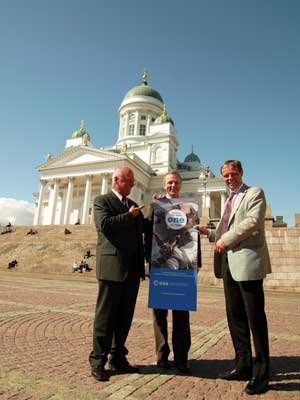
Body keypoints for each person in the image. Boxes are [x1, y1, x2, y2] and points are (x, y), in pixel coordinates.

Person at [194, 160, 271, 395]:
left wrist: (224, 240)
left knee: (255, 318)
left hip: (247, 263)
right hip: (228, 263)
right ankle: (243, 364)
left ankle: (262, 373)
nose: (229, 179)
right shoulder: (228, 199)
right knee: (235, 317)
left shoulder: (254, 193)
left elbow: (252, 222)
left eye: (233, 174)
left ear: (241, 173)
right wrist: (209, 233)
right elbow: (225, 230)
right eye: (225, 175)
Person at [89, 166, 146, 382]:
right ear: (115, 180)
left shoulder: (132, 205)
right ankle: (97, 361)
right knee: (105, 318)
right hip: (112, 267)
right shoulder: (102, 201)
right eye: (128, 181)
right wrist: (128, 216)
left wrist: (163, 209)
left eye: (132, 181)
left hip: (132, 269)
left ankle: (118, 357)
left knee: (124, 318)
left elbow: (144, 228)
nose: (132, 185)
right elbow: (104, 226)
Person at [145, 171, 200, 374]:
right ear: (164, 184)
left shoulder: (189, 208)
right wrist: (147, 261)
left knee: (181, 315)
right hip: (159, 265)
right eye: (169, 182)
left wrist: (196, 262)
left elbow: (193, 238)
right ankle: (161, 356)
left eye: (175, 182)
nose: (172, 185)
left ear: (180, 185)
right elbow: (147, 234)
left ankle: (181, 358)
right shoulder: (156, 205)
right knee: (159, 315)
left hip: (184, 265)